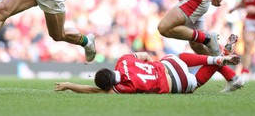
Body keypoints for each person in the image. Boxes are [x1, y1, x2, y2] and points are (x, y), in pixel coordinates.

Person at [54, 49, 241, 94]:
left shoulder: (124, 87)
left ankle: (218, 59)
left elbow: (95, 91)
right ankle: (217, 57)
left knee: (194, 83)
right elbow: (144, 55)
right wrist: (154, 66)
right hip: (170, 65)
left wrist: (70, 85)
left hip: (177, 83)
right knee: (177, 57)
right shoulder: (123, 60)